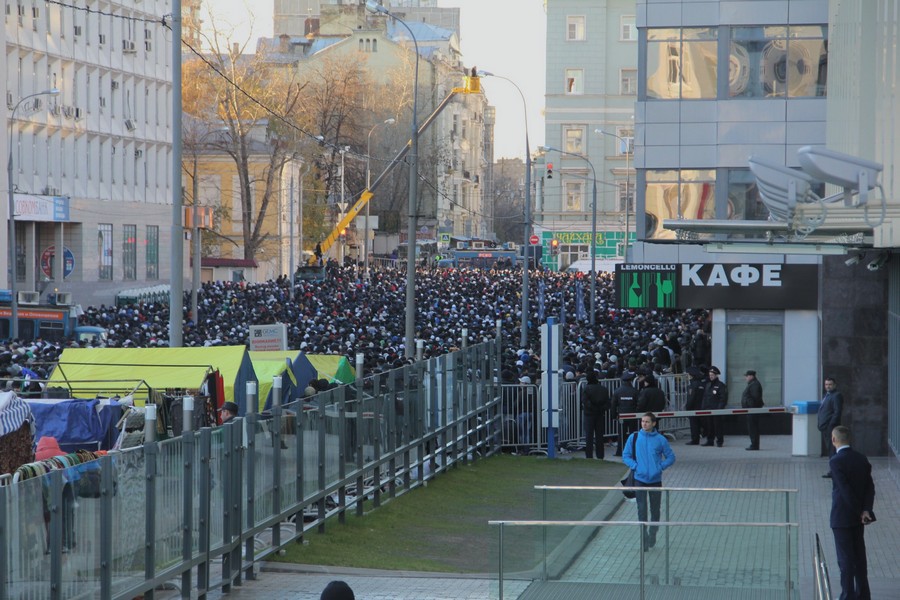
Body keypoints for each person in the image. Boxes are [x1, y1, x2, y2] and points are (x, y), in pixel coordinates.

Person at [829, 425, 875, 600]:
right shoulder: (861, 458)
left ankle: (847, 595)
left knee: (845, 560)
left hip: (842, 518)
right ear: (850, 439)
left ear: (834, 440)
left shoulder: (835, 461)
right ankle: (863, 595)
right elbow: (869, 487)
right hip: (859, 519)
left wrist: (859, 511)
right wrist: (865, 510)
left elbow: (845, 490)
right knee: (859, 559)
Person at [622, 412, 675, 550]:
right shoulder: (634, 437)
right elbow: (626, 456)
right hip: (639, 479)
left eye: (647, 422)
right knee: (642, 509)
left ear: (654, 423)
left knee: (655, 510)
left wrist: (660, 467)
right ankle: (644, 539)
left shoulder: (660, 439)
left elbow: (671, 457)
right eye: (642, 421)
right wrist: (635, 466)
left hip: (655, 480)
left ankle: (653, 533)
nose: (644, 424)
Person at [581, 370, 611, 459]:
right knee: (599, 436)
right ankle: (600, 455)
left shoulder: (586, 389)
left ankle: (589, 455)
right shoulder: (604, 389)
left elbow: (585, 402)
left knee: (589, 436)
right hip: (600, 414)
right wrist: (601, 409)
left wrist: (592, 408)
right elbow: (608, 403)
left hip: (589, 414)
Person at [819, 377, 843, 478]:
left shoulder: (836, 396)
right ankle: (833, 470)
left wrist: (831, 425)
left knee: (832, 450)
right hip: (825, 427)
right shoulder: (827, 395)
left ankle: (834, 471)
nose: (828, 386)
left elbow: (837, 412)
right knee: (830, 450)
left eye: (830, 384)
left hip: (830, 428)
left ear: (834, 385)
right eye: (826, 384)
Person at [612, 371, 638, 457]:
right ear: (630, 381)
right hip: (633, 416)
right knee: (633, 434)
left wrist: (613, 415)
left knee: (621, 434)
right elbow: (638, 404)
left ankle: (620, 451)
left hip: (622, 415)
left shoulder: (617, 391)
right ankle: (633, 451)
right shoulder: (635, 391)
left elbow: (613, 405)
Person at [701, 366, 727, 447]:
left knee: (718, 427)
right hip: (708, 409)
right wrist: (703, 407)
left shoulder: (721, 385)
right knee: (709, 426)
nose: (711, 376)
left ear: (716, 375)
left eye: (712, 375)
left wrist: (719, 409)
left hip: (716, 410)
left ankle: (719, 441)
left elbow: (723, 399)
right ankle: (710, 441)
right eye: (710, 375)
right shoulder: (708, 385)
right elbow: (705, 397)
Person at [741, 370, 764, 450]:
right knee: (752, 428)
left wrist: (749, 405)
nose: (745, 378)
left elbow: (755, 398)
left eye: (747, 376)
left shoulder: (755, 385)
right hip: (751, 410)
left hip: (752, 410)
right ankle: (754, 444)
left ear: (751, 376)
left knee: (753, 428)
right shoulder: (752, 384)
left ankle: (754, 445)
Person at [684, 366, 706, 445]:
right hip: (701, 407)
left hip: (693, 408)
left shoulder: (692, 385)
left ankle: (695, 439)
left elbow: (691, 398)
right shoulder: (702, 384)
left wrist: (687, 407)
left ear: (691, 375)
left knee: (694, 424)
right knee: (700, 423)